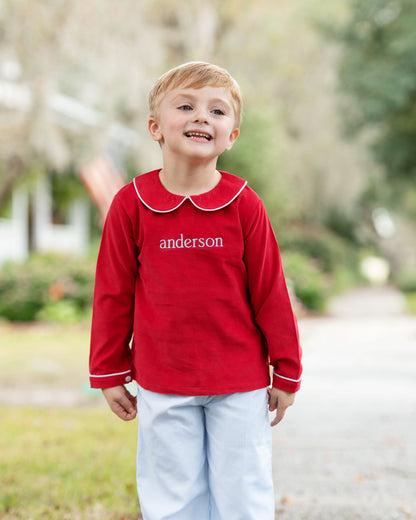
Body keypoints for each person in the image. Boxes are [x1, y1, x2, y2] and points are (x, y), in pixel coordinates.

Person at [89, 61, 302, 520]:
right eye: (185, 106)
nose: (202, 117)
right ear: (155, 128)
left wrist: (286, 369)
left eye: (217, 111)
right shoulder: (131, 204)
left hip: (240, 383)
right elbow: (112, 294)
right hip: (163, 380)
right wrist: (107, 370)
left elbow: (271, 292)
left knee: (242, 491)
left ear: (232, 137)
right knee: (172, 496)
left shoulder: (245, 204)